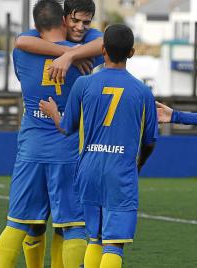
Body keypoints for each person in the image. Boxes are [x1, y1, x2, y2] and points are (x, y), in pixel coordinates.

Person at [39, 24, 158, 268]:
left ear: (102, 50)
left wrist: (53, 113)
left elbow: (66, 127)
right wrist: (139, 165)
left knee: (94, 238)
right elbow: (149, 141)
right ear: (132, 52)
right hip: (120, 172)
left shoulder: (83, 84)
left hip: (88, 171)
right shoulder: (143, 92)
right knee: (114, 244)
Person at [0, 0, 98, 268]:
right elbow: (115, 43)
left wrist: (64, 52)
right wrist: (72, 54)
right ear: (65, 20)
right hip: (69, 149)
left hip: (31, 150)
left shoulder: (22, 50)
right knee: (72, 226)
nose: (80, 25)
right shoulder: (86, 49)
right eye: (75, 20)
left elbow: (21, 41)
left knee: (18, 223)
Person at [15, 0, 104, 81]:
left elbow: (106, 42)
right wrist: (68, 51)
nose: (80, 27)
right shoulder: (46, 30)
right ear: (63, 18)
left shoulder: (90, 35)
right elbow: (20, 41)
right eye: (75, 20)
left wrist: (70, 56)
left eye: (86, 22)